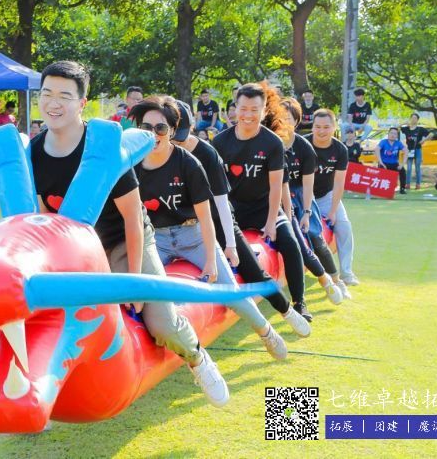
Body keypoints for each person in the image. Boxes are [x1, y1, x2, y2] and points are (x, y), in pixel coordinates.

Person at [31, 61, 229, 407]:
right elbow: (46, 216)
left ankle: (198, 358)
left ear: (82, 102)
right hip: (79, 253)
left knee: (162, 324)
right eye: (46, 94)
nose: (53, 103)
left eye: (64, 95)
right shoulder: (35, 151)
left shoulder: (102, 148)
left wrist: (134, 281)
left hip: (125, 243)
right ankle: (38, 397)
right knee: (49, 319)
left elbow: (133, 219)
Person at [132, 95, 288, 359]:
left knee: (231, 293)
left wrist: (213, 261)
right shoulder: (132, 164)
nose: (154, 134)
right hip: (156, 239)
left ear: (172, 131)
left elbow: (206, 216)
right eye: (147, 127)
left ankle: (266, 331)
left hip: (193, 235)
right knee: (149, 295)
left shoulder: (189, 163)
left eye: (161, 128)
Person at [170, 99, 311, 337]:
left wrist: (231, 244)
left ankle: (288, 309)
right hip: (170, 231)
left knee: (254, 270)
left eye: (180, 136)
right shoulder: (149, 155)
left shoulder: (206, 153)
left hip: (215, 221)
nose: (176, 142)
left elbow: (222, 202)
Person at [211, 82, 311, 321]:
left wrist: (270, 222)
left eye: (254, 109)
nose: (248, 115)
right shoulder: (220, 142)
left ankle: (299, 302)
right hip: (233, 211)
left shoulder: (272, 143)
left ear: (264, 110)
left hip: (264, 208)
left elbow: (276, 186)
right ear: (234, 109)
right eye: (243, 108)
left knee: (290, 244)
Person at [274, 97, 349, 302]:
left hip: (299, 196)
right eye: (279, 118)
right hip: (274, 196)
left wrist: (307, 212)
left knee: (314, 237)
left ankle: (336, 280)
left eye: (288, 119)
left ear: (296, 121)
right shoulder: (269, 142)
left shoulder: (305, 147)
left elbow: (308, 185)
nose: (283, 123)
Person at [306, 109, 360, 287]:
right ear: (312, 127)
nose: (321, 131)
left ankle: (346, 273)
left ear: (334, 127)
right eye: (317, 127)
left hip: (326, 196)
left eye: (326, 127)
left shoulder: (340, 149)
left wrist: (333, 210)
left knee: (344, 227)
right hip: (303, 196)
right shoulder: (303, 144)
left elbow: (338, 183)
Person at [401, 113, 433, 190]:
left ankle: (418, 184)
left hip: (418, 150)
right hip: (409, 150)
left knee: (417, 168)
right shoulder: (406, 129)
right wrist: (404, 123)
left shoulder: (420, 129)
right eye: (412, 118)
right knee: (409, 168)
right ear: (410, 119)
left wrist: (424, 140)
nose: (413, 119)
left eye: (415, 118)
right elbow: (396, 128)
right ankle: (407, 184)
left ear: (417, 120)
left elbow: (431, 134)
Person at [376, 127, 408, 194]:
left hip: (394, 164)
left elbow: (406, 151)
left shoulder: (398, 143)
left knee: (402, 171)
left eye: (395, 134)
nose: (393, 135)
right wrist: (380, 162)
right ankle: (381, 188)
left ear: (397, 136)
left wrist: (402, 164)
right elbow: (377, 149)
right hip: (384, 163)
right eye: (391, 133)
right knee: (381, 170)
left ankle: (402, 188)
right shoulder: (383, 142)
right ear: (388, 134)